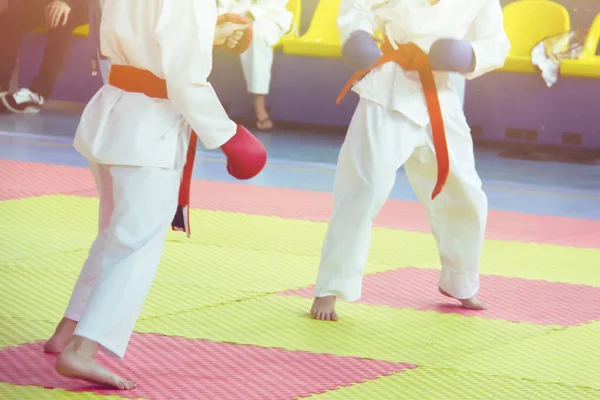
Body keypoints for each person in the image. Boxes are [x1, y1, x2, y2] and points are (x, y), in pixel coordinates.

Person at [43, 0, 263, 389]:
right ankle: (83, 349)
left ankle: (68, 329)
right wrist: (228, 136)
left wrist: (206, 33)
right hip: (150, 131)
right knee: (135, 244)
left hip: (112, 114)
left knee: (113, 235)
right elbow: (184, 79)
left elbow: (141, 43)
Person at [310, 0, 511, 321]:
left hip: (442, 97)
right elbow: (356, 5)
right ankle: (331, 286)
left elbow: (496, 42)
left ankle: (460, 281)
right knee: (364, 190)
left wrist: (469, 55)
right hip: (387, 94)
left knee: (467, 195)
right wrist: (357, 35)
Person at [0, 0, 88, 113]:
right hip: (44, 3)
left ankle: (38, 93)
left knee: (60, 17)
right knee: (8, 18)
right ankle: (1, 87)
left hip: (75, 6)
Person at [217, 0, 293, 130]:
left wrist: (250, 15)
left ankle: (259, 105)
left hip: (269, 14)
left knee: (257, 35)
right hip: (232, 11)